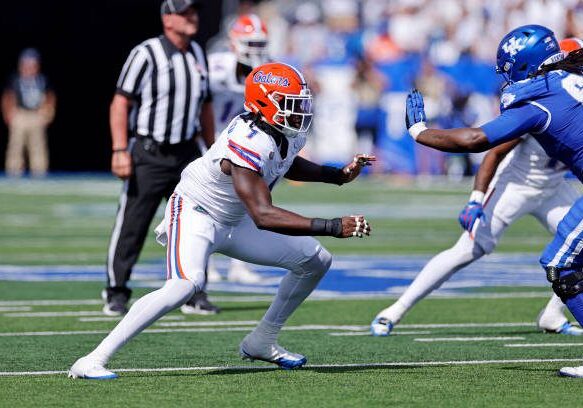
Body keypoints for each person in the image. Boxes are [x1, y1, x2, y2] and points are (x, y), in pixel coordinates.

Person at [68, 62, 374, 379]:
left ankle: (262, 341)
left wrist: (337, 175)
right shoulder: (248, 139)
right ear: (265, 102)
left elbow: (285, 162)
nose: (299, 111)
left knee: (316, 260)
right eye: (290, 103)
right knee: (183, 286)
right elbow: (264, 215)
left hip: (235, 219)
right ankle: (93, 358)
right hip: (196, 213)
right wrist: (333, 226)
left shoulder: (280, 130)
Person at [371, 37, 583, 338]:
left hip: (554, 188)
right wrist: (476, 198)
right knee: (467, 249)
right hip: (517, 185)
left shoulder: (546, 96)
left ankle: (552, 312)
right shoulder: (550, 98)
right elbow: (493, 151)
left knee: (568, 259)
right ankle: (394, 310)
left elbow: (480, 140)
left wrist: (419, 131)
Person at [103, 0, 218, 316]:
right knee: (133, 223)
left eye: (194, 12)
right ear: (168, 19)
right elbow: (120, 102)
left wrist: (212, 150)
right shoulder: (146, 53)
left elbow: (205, 106)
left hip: (186, 153)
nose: (193, 17)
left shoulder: (197, 53)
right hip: (150, 151)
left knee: (197, 222)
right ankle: (116, 290)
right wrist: (118, 149)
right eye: (185, 13)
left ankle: (194, 291)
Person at [202, 13, 271, 286]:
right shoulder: (214, 66)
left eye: (259, 44)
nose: (255, 50)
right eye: (249, 43)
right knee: (208, 205)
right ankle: (204, 262)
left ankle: (239, 265)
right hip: (210, 143)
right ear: (234, 42)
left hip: (243, 146)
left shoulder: (268, 71)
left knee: (246, 204)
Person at [1, 48, 56, 177]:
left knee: (38, 146)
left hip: (36, 115)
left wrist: (48, 112)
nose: (29, 68)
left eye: (32, 65)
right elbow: (8, 96)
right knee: (15, 145)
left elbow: (50, 96)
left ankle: (39, 172)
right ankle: (13, 172)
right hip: (20, 114)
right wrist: (8, 113)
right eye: (26, 64)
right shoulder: (15, 80)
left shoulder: (41, 80)